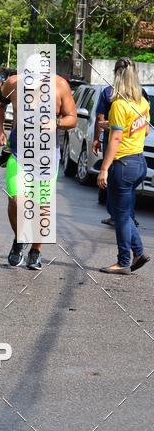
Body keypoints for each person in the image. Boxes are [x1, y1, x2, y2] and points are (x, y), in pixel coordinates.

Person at [0, 68, 77, 270]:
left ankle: (35, 251)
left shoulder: (60, 86)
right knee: (16, 200)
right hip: (19, 153)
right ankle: (20, 238)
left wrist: (56, 122)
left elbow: (72, 118)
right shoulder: (13, 83)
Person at [97, 58, 150, 274]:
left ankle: (123, 261)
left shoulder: (119, 104)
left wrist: (103, 168)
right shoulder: (142, 103)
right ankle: (138, 252)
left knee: (120, 216)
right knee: (122, 211)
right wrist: (114, 123)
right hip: (139, 162)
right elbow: (144, 131)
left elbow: (116, 139)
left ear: (117, 78)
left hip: (123, 164)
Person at [93, 68, 144, 228]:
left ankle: (119, 216)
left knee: (111, 183)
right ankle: (127, 216)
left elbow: (101, 118)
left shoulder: (110, 94)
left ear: (115, 73)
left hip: (118, 150)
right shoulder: (141, 96)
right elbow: (145, 127)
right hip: (138, 154)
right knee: (128, 189)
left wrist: (98, 137)